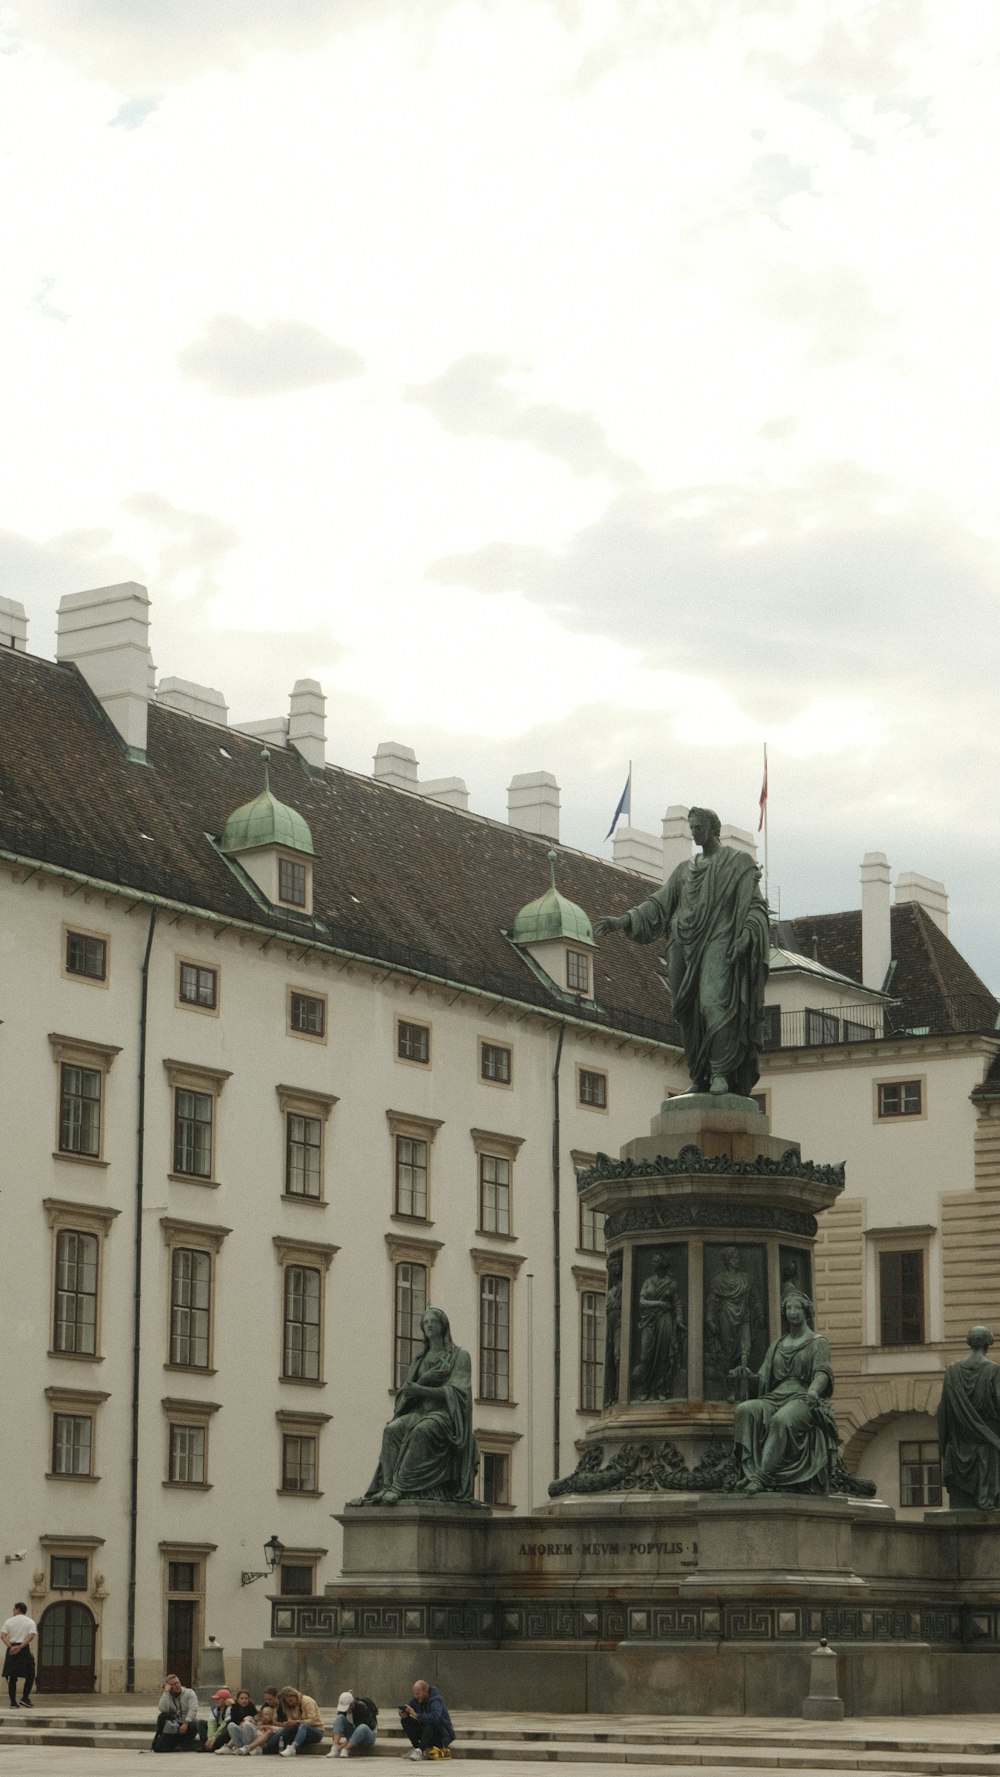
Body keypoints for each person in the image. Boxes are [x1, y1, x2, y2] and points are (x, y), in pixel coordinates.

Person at [596, 805, 769, 1098]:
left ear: (713, 828)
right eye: (691, 828)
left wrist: (747, 935)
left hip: (720, 940)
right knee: (687, 1013)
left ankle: (719, 1072)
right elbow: (657, 905)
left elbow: (755, 907)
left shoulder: (738, 864)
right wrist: (623, 920)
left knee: (713, 1004)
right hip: (681, 944)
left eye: (698, 828)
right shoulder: (684, 871)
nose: (693, 833)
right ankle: (699, 1075)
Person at [351, 1307, 478, 1506]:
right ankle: (386, 1485)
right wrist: (424, 1381)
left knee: (422, 1430)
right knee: (391, 1430)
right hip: (419, 1412)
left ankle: (398, 1487)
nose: (428, 1325)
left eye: (432, 1322)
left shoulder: (460, 1356)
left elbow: (457, 1393)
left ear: (442, 1326)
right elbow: (407, 1392)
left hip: (445, 1417)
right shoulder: (420, 1359)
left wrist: (421, 1389)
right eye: (425, 1322)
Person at [730, 1289, 837, 1495]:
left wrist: (814, 1391)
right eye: (788, 1308)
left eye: (796, 1307)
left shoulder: (818, 1342)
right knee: (745, 1410)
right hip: (776, 1395)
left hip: (803, 1397)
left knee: (782, 1420)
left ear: (806, 1312)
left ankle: (761, 1477)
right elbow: (762, 1378)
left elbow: (822, 1373)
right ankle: (748, 1473)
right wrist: (745, 1374)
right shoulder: (777, 1345)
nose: (792, 1312)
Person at [937, 1325, 1000, 1510]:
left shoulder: (952, 1371)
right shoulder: (993, 1370)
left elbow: (943, 1410)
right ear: (988, 1343)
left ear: (969, 1343)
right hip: (988, 1442)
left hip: (958, 1445)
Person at [705, 1246, 760, 1401]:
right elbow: (712, 1300)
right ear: (728, 1260)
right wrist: (709, 1318)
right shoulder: (719, 1280)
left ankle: (743, 1388)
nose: (738, 1260)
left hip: (744, 1317)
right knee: (727, 1354)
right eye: (734, 1257)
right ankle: (729, 1389)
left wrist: (760, 1312)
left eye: (738, 1257)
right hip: (725, 1318)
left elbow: (755, 1297)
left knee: (745, 1349)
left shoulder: (746, 1278)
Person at [630, 1251, 685, 1401]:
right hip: (648, 1320)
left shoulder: (671, 1284)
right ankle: (646, 1387)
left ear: (662, 1264)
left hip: (665, 1320)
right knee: (645, 1355)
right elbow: (641, 1302)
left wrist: (679, 1319)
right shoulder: (648, 1281)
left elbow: (677, 1303)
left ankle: (661, 1388)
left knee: (663, 1355)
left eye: (656, 1261)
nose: (653, 1264)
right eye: (652, 1261)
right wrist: (659, 1303)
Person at [398, 1680, 455, 1761]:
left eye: (418, 1694)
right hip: (427, 1733)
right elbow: (409, 1706)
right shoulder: (417, 1699)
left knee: (429, 1722)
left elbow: (435, 1717)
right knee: (405, 1720)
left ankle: (420, 1751)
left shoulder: (436, 1700)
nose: (416, 1696)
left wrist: (416, 1715)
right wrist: (403, 1713)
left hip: (442, 1735)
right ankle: (417, 1748)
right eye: (414, 1694)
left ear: (425, 1692)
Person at [263, 1685, 325, 1756]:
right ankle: (266, 1746)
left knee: (303, 1726)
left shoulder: (306, 1701)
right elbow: (290, 1720)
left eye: (290, 1700)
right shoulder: (288, 1706)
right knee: (285, 1730)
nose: (290, 1703)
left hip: (316, 1730)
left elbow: (313, 1720)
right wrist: (288, 1723)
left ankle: (293, 1747)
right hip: (299, 1729)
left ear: (295, 1695)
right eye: (287, 1702)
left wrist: (296, 1722)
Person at [153, 1673, 207, 1751]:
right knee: (162, 1716)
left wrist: (185, 1723)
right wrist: (165, 1692)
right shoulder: (168, 1695)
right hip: (174, 1724)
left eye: (177, 1683)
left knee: (194, 1722)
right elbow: (163, 1709)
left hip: (187, 1724)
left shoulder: (189, 1693)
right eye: (173, 1684)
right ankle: (162, 1738)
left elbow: (193, 1709)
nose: (177, 1686)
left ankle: (186, 1744)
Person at [1, 1602, 36, 1709]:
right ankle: (25, 1698)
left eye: (14, 1609)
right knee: (30, 1674)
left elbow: (2, 1635)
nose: (13, 1610)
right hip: (24, 1649)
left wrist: (10, 1646)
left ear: (18, 1609)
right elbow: (31, 1636)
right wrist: (20, 1647)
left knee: (12, 1677)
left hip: (11, 1649)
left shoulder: (9, 1621)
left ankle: (13, 1703)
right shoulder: (30, 1621)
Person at [327, 1689, 377, 1756]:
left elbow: (358, 1731)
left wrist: (342, 1746)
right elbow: (337, 1726)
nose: (346, 1710)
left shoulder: (361, 1708)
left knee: (362, 1727)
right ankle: (334, 1748)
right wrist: (336, 1745)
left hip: (367, 1736)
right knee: (339, 1718)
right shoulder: (342, 1710)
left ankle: (346, 1749)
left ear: (352, 1704)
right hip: (352, 1733)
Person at [603, 1251, 623, 1407]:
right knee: (610, 1359)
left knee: (618, 1356)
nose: (616, 1268)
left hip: (621, 1323)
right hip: (610, 1323)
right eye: (613, 1266)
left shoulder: (624, 1286)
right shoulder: (610, 1292)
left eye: (618, 1265)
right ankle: (612, 1395)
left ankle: (620, 1393)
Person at [212, 1688, 256, 1752]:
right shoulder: (234, 1707)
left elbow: (245, 1716)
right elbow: (235, 1721)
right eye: (242, 1698)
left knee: (246, 1724)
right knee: (231, 1725)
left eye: (246, 1698)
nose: (244, 1700)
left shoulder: (251, 1707)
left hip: (250, 1734)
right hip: (240, 1732)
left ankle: (233, 1746)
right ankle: (238, 1747)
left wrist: (234, 1706)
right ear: (237, 1700)